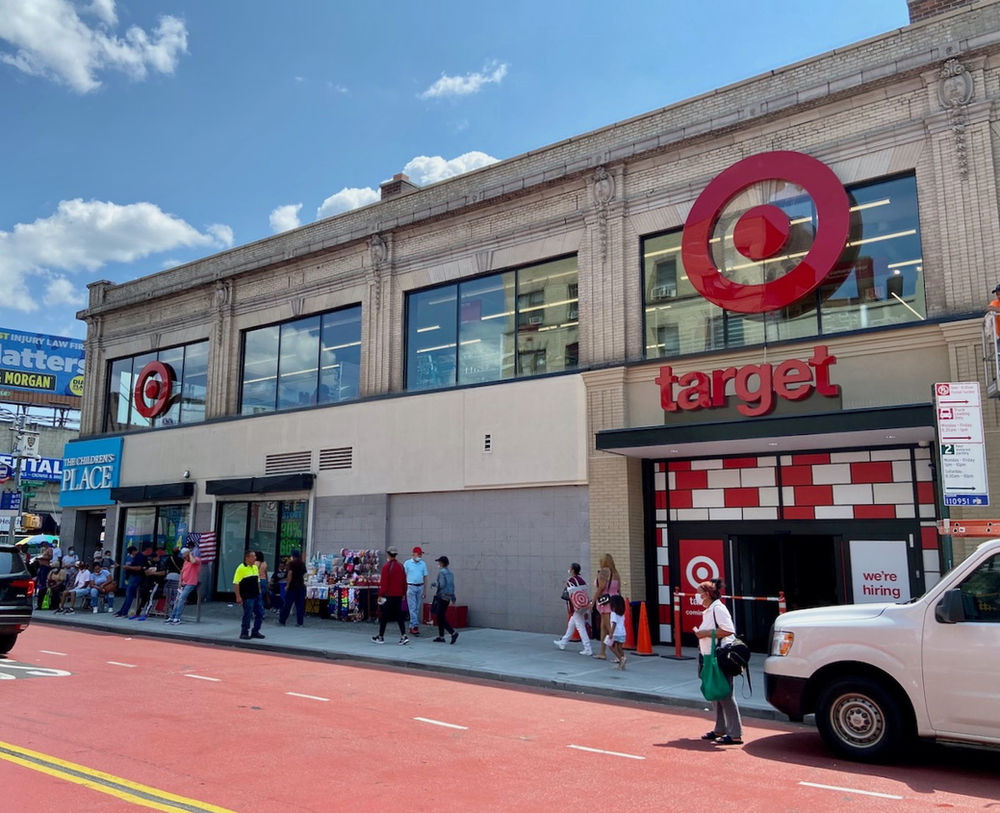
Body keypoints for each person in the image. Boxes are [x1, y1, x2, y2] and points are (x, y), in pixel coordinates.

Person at [693, 579, 743, 746]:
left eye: (699, 593)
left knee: (725, 694)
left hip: (719, 657)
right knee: (715, 693)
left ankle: (735, 733)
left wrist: (705, 632)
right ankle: (720, 728)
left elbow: (729, 630)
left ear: (706, 594)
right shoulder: (708, 610)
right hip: (708, 656)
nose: (697, 596)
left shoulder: (718, 609)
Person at [554, 562, 592, 655]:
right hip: (584, 604)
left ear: (573, 570)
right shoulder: (581, 580)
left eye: (570, 568)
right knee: (572, 623)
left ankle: (587, 648)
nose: (568, 569)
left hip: (576, 606)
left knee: (580, 626)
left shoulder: (571, 580)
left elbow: (570, 595)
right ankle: (563, 642)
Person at [372, 546, 408, 645]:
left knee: (384, 616)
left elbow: (384, 583)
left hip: (388, 595)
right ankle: (404, 635)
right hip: (399, 595)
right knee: (399, 615)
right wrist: (404, 593)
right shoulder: (401, 566)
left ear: (388, 554)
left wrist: (380, 595)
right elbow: (404, 582)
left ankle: (381, 636)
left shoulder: (386, 567)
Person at [592, 553, 621, 660]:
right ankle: (602, 652)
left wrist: (593, 602)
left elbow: (600, 588)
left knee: (609, 629)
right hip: (615, 601)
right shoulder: (616, 573)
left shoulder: (604, 572)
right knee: (604, 628)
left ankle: (619, 655)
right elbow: (618, 589)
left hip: (605, 603)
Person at [234, 550, 265, 640]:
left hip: (256, 595)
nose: (255, 558)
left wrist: (259, 591)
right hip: (247, 596)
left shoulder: (255, 567)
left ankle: (255, 631)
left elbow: (258, 580)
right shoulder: (241, 568)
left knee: (260, 613)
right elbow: (236, 583)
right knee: (248, 614)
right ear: (247, 558)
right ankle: (244, 632)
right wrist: (238, 596)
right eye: (253, 556)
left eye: (255, 556)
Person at [165, 547, 201, 624]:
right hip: (183, 583)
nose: (184, 558)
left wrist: (190, 554)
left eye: (185, 556)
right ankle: (172, 616)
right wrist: (180, 581)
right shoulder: (185, 562)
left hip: (191, 583)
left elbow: (194, 561)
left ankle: (177, 617)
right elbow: (182, 572)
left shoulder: (196, 559)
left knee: (181, 599)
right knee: (177, 600)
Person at [431, 555, 458, 645]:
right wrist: (453, 597)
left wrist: (434, 584)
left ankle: (452, 633)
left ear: (442, 563)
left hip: (441, 596)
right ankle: (441, 636)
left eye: (439, 562)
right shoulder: (450, 573)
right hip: (448, 597)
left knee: (441, 617)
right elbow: (452, 586)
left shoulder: (441, 572)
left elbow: (441, 584)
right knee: (440, 616)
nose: (438, 563)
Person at [116, 544, 148, 618]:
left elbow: (139, 568)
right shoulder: (138, 556)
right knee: (128, 594)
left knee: (129, 594)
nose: (131, 555)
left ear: (133, 551)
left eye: (131, 553)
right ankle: (122, 611)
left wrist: (128, 567)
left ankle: (124, 612)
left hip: (136, 577)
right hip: (134, 576)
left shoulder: (139, 556)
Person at [279, 549, 307, 627]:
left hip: (292, 587)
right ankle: (300, 622)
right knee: (300, 606)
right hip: (300, 586)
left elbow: (290, 573)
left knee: (287, 604)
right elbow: (304, 574)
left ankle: (282, 620)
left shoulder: (291, 564)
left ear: (293, 556)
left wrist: (287, 585)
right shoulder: (302, 564)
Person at [404, 546, 428, 636]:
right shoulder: (407, 563)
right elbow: (403, 576)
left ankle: (412, 625)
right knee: (412, 607)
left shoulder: (423, 564)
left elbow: (425, 576)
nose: (420, 556)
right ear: (413, 554)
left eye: (421, 554)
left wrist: (425, 590)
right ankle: (415, 625)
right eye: (419, 554)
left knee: (417, 608)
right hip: (411, 586)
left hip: (420, 586)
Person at [607, 594, 628, 670]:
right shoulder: (621, 614)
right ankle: (622, 664)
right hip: (622, 633)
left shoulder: (613, 613)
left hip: (616, 633)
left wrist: (611, 633)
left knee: (610, 646)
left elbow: (614, 623)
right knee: (619, 647)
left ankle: (621, 658)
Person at [32, 542, 54, 609]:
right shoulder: (43, 550)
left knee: (44, 582)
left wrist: (42, 558)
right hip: (41, 566)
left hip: (45, 566)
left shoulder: (49, 549)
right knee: (40, 581)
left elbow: (50, 557)